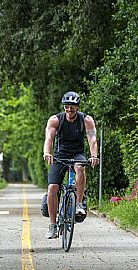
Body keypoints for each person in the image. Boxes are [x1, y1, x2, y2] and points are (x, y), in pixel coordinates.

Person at [43, 91, 99, 239]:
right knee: (52, 188)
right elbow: (49, 138)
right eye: (67, 107)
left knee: (80, 167)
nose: (69, 110)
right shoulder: (56, 120)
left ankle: (79, 204)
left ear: (77, 108)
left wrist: (94, 156)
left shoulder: (86, 120)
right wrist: (47, 152)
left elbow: (92, 140)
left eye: (72, 108)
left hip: (77, 154)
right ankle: (53, 225)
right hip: (60, 154)